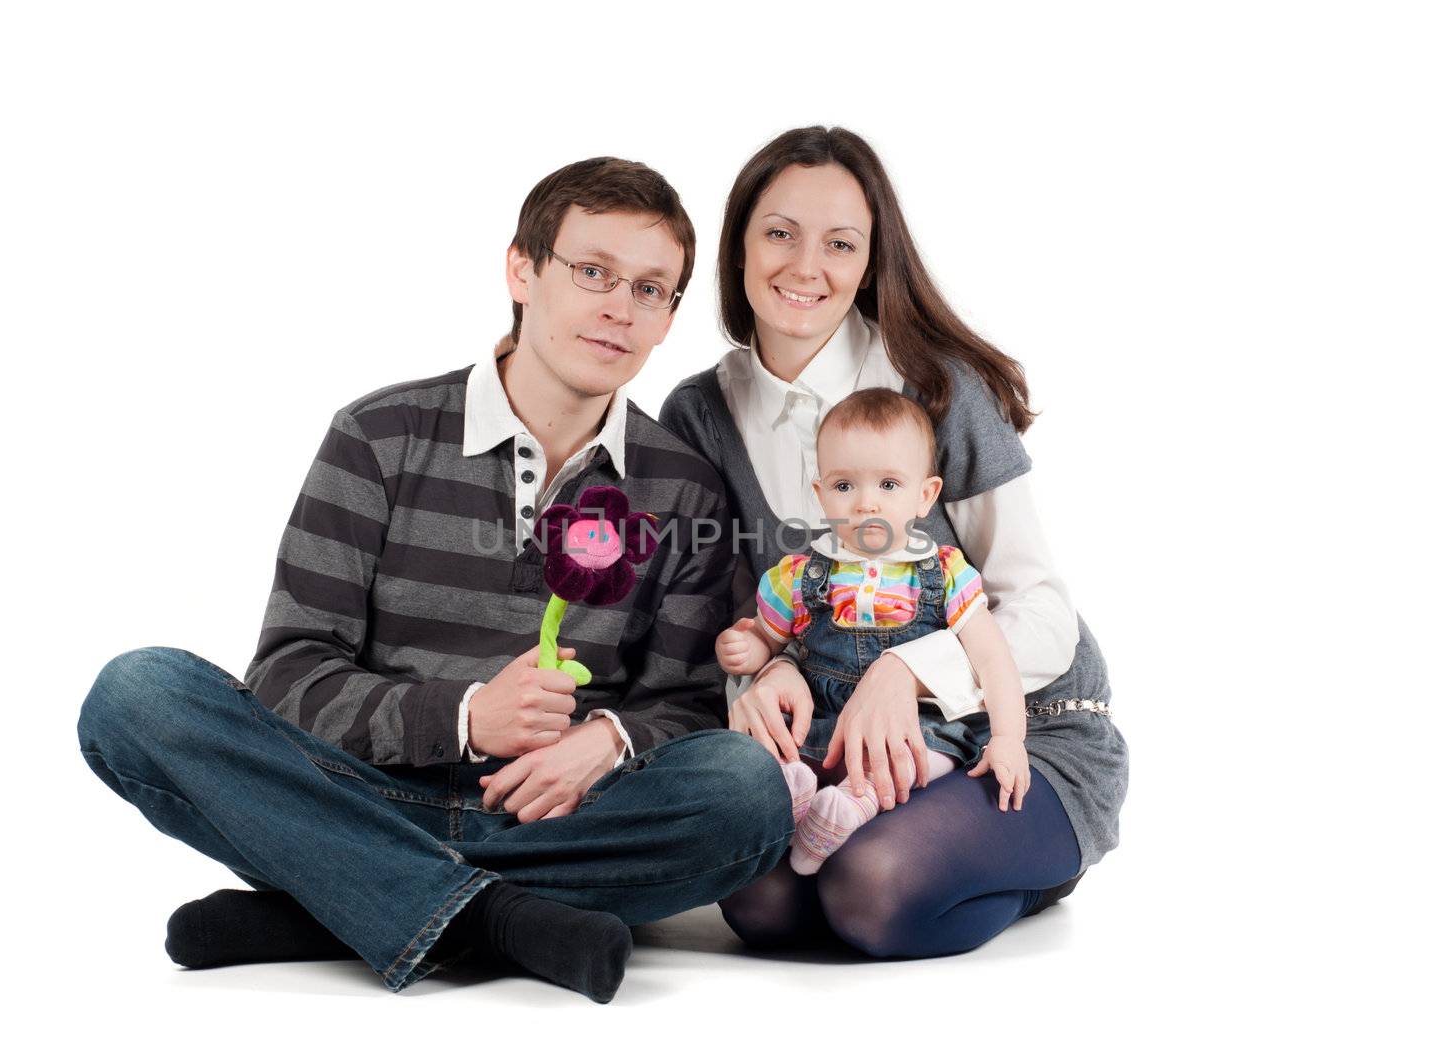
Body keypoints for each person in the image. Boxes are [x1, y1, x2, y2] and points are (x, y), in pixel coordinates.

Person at [76, 157, 794, 1003]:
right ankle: (492, 919)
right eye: (594, 272)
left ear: (671, 314)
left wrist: (604, 741)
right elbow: (286, 676)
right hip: (360, 793)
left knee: (746, 793)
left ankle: (332, 901)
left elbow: (689, 701)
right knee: (137, 694)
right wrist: (464, 714)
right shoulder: (381, 436)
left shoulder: (680, 485)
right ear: (522, 269)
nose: (619, 309)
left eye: (651, 289)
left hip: (557, 819)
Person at [659, 126, 1130, 957]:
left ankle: (1024, 862)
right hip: (832, 741)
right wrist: (761, 675)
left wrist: (909, 667)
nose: (806, 266)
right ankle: (923, 849)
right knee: (760, 901)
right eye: (780, 232)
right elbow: (725, 619)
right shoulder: (698, 414)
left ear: (871, 261)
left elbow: (1044, 610)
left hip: (1012, 726)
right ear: (737, 244)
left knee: (872, 888)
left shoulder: (936, 385)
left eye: (840, 244)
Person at [715, 388, 1031, 875]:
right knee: (774, 742)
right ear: (820, 496)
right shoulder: (801, 574)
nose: (865, 503)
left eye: (888, 484)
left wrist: (1009, 738)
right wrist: (748, 647)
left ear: (925, 496)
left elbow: (993, 660)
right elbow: (770, 639)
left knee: (934, 753)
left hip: (911, 726)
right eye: (845, 487)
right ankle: (791, 788)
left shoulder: (944, 573)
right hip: (826, 723)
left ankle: (854, 803)